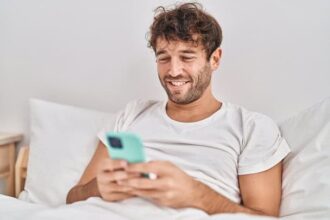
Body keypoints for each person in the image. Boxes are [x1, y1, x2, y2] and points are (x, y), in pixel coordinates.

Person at [66, 2, 290, 217]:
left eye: (187, 57)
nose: (173, 71)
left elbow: (265, 217)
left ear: (215, 59)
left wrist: (197, 195)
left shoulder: (251, 128)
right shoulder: (132, 114)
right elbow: (73, 198)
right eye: (164, 58)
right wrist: (97, 188)